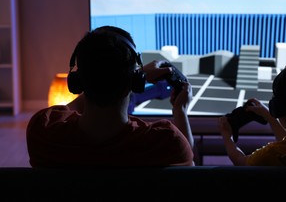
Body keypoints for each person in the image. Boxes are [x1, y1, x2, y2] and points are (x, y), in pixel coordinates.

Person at [26, 25, 195, 167]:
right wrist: (180, 110)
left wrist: (131, 76)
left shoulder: (42, 131)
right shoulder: (166, 142)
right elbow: (187, 156)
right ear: (136, 81)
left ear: (77, 81)